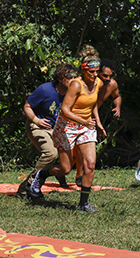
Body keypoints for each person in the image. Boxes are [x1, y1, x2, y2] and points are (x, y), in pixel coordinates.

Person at [47, 55, 105, 213]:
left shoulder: (98, 83)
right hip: (67, 126)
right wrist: (83, 121)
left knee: (90, 165)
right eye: (91, 72)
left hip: (86, 127)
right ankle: (44, 173)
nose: (94, 75)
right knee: (65, 169)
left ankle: (83, 204)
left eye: (97, 71)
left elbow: (92, 104)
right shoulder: (76, 85)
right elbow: (65, 110)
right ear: (84, 71)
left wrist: (97, 122)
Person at [20, 63, 77, 200]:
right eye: (68, 77)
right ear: (60, 78)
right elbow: (27, 106)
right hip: (39, 126)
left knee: (72, 158)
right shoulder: (45, 90)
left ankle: (58, 175)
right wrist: (36, 120)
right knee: (50, 153)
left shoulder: (74, 92)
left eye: (75, 77)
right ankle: (30, 184)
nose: (72, 80)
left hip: (59, 129)